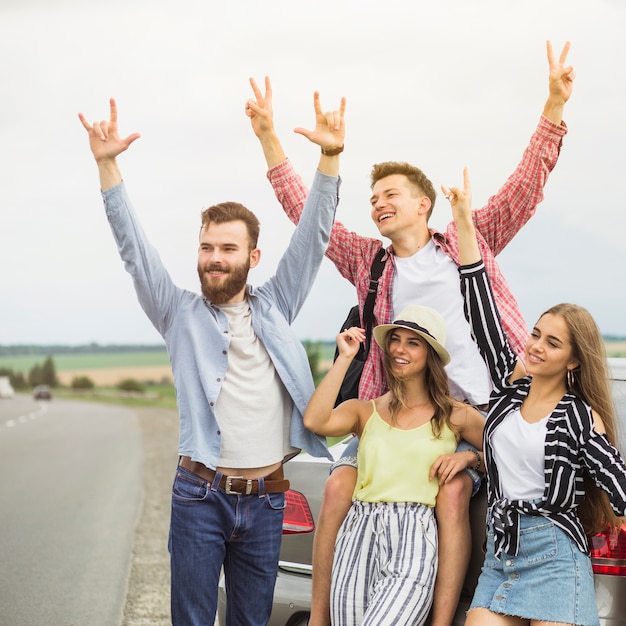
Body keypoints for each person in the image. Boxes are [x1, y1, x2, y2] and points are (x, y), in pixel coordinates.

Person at [245, 41, 575, 626]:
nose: (378, 206)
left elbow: (524, 190)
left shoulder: (469, 242)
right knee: (338, 487)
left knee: (451, 492)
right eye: (372, 200)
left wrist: (553, 106)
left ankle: (443, 615)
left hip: (481, 412)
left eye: (390, 195)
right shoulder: (371, 263)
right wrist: (271, 139)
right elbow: (309, 218)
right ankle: (321, 615)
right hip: (403, 411)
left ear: (424, 204)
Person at [78, 92, 345, 626]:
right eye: (207, 248)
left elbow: (313, 239)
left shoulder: (277, 304)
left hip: (268, 499)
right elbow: (135, 251)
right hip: (200, 497)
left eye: (227, 249)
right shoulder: (177, 312)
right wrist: (108, 165)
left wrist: (330, 160)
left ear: (252, 256)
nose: (215, 259)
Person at [446, 168, 626, 626]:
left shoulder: (580, 418)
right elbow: (480, 308)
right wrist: (464, 222)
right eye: (536, 333)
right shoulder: (508, 395)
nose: (536, 345)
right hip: (502, 550)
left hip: (555, 553)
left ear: (573, 361)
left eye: (552, 342)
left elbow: (618, 484)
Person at [303, 305, 485, 625]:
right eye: (396, 340)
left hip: (413, 536)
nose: (400, 349)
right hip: (358, 533)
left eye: (413, 343)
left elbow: (507, 456)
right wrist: (345, 357)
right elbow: (315, 420)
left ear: (430, 355)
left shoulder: (456, 415)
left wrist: (470, 457)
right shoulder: (364, 411)